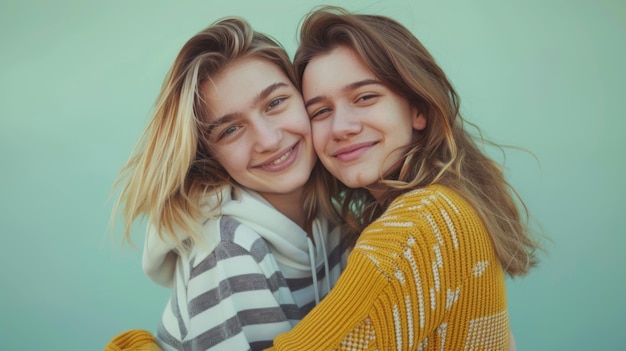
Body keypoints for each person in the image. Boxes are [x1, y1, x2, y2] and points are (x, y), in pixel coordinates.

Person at [266, 6, 540, 350]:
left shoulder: (416, 228)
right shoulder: (449, 207)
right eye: (320, 111)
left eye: (365, 97)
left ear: (418, 109)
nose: (341, 127)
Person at [109, 17, 349, 351]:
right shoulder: (229, 251)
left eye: (276, 103)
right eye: (230, 130)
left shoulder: (337, 215)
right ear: (209, 157)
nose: (267, 139)